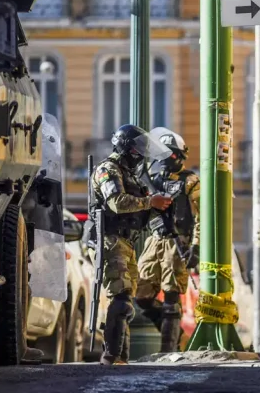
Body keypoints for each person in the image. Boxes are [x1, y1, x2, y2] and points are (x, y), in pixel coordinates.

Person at [90, 124, 173, 364]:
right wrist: (150, 202)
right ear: (127, 148)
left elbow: (142, 210)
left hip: (126, 241)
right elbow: (116, 202)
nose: (141, 155)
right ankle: (111, 356)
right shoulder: (108, 169)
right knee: (122, 296)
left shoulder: (130, 174)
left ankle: (121, 358)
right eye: (138, 150)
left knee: (126, 299)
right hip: (111, 238)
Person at [134, 128, 200, 353]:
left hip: (177, 240)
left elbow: (201, 216)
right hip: (154, 239)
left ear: (179, 155)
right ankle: (169, 327)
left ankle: (168, 349)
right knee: (140, 293)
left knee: (172, 295)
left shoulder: (190, 181)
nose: (164, 158)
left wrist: (196, 246)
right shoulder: (151, 179)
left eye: (169, 154)